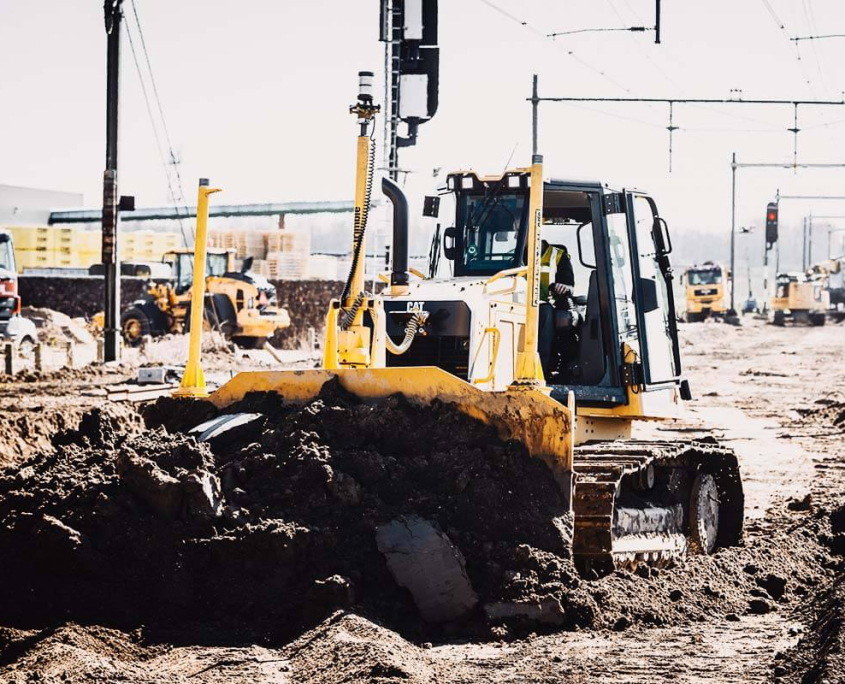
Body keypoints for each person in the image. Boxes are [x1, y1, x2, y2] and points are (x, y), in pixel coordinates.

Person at [536, 239, 575, 378]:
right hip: (518, 303)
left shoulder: (558, 255)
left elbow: (569, 286)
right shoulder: (515, 256)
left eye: (519, 229)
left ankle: (541, 370)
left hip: (548, 305)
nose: (516, 235)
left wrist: (563, 287)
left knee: (545, 313)